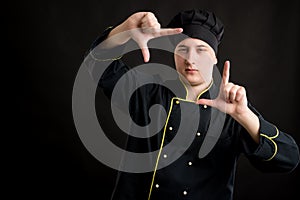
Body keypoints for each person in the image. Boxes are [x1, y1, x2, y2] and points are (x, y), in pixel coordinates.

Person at [84, 9, 299, 200]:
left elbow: (289, 159)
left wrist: (245, 116)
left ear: (215, 57)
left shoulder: (233, 107)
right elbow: (96, 64)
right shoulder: (148, 94)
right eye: (183, 49)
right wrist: (124, 30)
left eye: (201, 50)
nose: (190, 59)